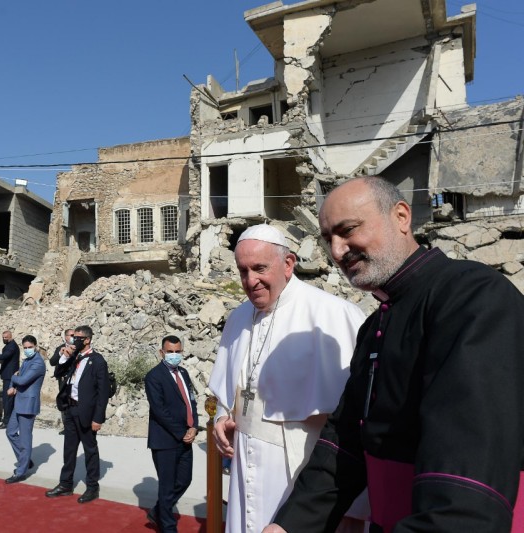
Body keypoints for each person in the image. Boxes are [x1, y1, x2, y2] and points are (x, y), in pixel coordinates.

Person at [264, 177, 524, 533]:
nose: (338, 251)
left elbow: (465, 489)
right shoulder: (375, 325)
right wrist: (288, 526)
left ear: (401, 216)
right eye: (328, 239)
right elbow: (345, 442)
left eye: (348, 230)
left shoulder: (473, 298)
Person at [208, 224, 368, 532]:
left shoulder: (332, 314)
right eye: (243, 270)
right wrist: (223, 419)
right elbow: (228, 389)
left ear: (288, 264)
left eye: (259, 268)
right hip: (245, 463)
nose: (250, 280)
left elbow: (353, 419)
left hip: (300, 465)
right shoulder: (238, 318)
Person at [46, 325, 110, 504]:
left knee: (90, 450)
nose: (75, 340)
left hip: (87, 413)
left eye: (78, 337)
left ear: (87, 339)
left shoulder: (97, 361)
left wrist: (98, 418)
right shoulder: (74, 357)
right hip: (70, 409)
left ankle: (92, 487)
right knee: (69, 450)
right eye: (74, 336)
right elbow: (58, 373)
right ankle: (65, 484)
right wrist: (64, 357)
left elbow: (102, 392)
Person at [145, 335, 198, 532]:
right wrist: (182, 432)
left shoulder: (183, 373)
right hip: (165, 440)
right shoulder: (154, 376)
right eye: (170, 352)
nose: (174, 355)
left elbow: (190, 402)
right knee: (167, 486)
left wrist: (194, 426)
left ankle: (158, 511)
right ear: (162, 353)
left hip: (186, 438)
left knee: (184, 480)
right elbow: (159, 411)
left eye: (178, 352)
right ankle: (168, 526)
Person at [4, 335, 46, 484]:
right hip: (19, 402)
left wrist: (12, 378)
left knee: (25, 439)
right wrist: (12, 386)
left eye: (30, 347)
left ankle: (21, 471)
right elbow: (18, 377)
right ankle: (25, 460)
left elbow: (21, 379)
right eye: (25, 347)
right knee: (10, 432)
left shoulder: (38, 363)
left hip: (28, 405)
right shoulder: (27, 361)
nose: (27, 350)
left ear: (35, 346)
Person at [49, 328, 74, 435]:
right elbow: (52, 362)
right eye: (71, 335)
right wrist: (60, 353)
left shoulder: (78, 347)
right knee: (64, 402)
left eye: (74, 335)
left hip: (75, 379)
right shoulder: (60, 348)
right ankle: (67, 426)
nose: (73, 337)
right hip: (63, 380)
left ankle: (75, 426)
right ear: (66, 337)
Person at [0, 330, 19, 429]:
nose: (4, 339)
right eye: (3, 337)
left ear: (11, 336)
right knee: (8, 399)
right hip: (6, 375)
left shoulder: (12, 346)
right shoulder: (9, 345)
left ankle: (7, 422)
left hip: (9, 376)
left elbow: (4, 356)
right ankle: (9, 420)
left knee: (7, 399)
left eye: (6, 337)